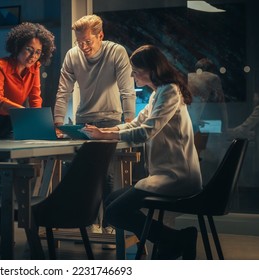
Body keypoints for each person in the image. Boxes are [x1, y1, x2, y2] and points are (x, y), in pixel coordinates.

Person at [82, 45, 202, 259]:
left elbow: (147, 131)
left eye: (136, 69)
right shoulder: (159, 93)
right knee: (112, 203)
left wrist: (106, 136)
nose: (132, 73)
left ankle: (174, 240)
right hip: (165, 175)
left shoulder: (170, 92)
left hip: (177, 176)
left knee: (114, 211)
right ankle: (171, 240)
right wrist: (104, 131)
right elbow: (135, 123)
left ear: (151, 69)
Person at [53, 14, 136, 239]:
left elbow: (127, 89)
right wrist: (58, 122)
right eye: (79, 42)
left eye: (88, 41)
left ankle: (109, 222)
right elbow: (63, 91)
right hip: (83, 120)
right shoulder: (73, 55)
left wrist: (129, 122)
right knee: (86, 174)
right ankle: (89, 220)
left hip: (111, 119)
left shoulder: (116, 52)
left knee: (106, 175)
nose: (83, 46)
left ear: (101, 36)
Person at [0, 22, 56, 243]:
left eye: (38, 52)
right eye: (29, 49)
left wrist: (37, 120)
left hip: (11, 118)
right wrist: (25, 112)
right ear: (17, 46)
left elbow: (35, 97)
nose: (33, 56)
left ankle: (5, 223)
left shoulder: (34, 69)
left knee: (9, 171)